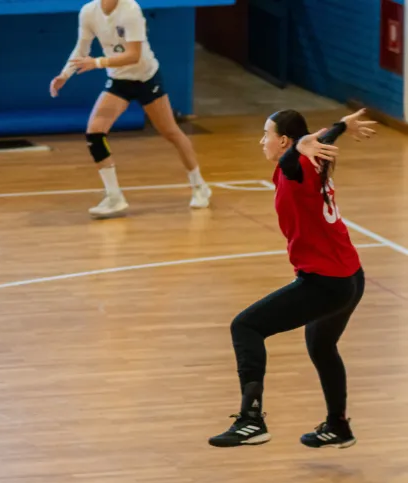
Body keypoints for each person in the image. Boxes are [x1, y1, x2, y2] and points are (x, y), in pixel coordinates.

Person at [208, 108, 376, 448]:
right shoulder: (313, 158)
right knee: (321, 345)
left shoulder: (297, 164)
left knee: (246, 326)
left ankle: (251, 421)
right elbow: (320, 140)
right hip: (350, 277)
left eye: (266, 134)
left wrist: (301, 146)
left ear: (284, 140)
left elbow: (293, 157)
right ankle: (338, 426)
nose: (261, 140)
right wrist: (341, 126)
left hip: (326, 283)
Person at [49, 0, 211, 219]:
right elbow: (81, 48)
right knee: (95, 132)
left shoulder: (130, 9)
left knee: (170, 132)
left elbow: (133, 55)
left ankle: (200, 186)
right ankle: (114, 197)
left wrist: (96, 63)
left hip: (146, 78)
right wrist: (64, 75)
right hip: (119, 82)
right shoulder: (89, 12)